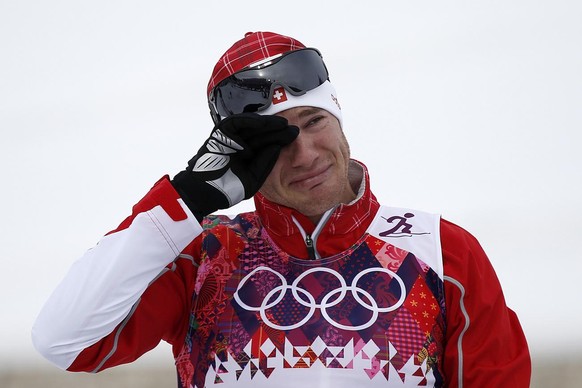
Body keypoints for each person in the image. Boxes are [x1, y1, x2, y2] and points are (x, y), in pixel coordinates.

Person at [32, 31, 531, 387]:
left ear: (338, 114)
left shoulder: (442, 251)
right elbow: (62, 340)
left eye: (314, 120)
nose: (306, 154)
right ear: (242, 157)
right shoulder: (204, 256)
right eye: (277, 142)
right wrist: (182, 204)